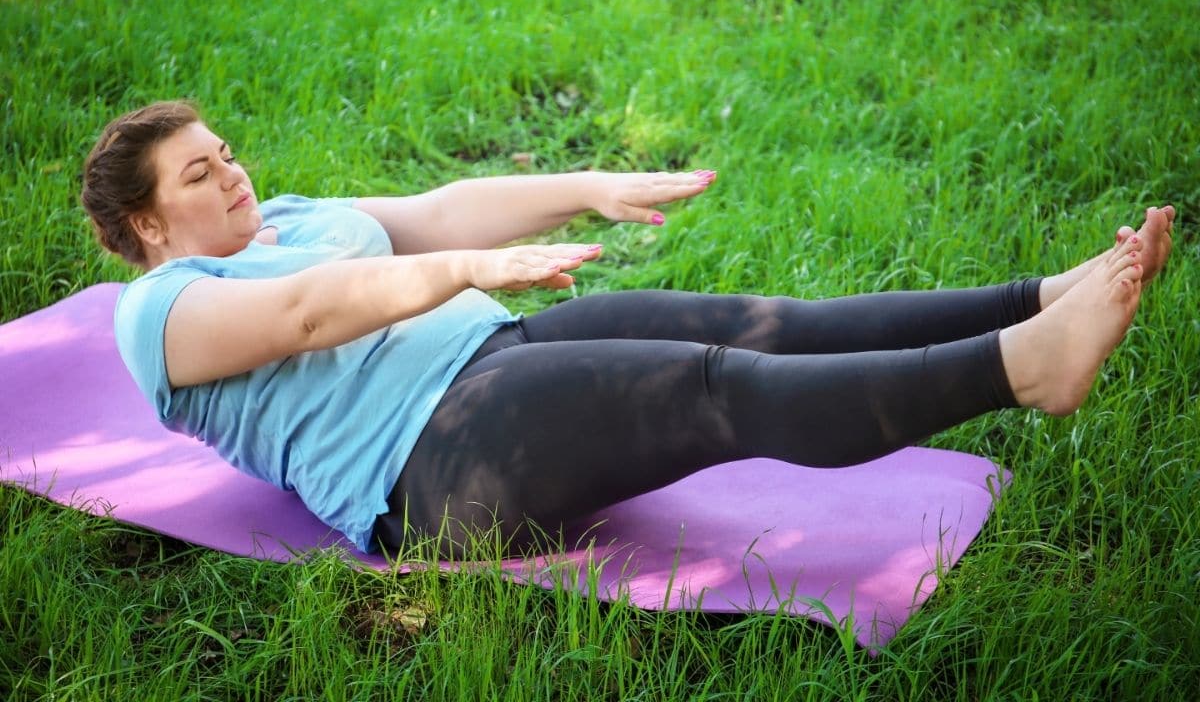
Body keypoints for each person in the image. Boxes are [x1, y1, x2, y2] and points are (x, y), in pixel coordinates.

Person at [81, 101, 1175, 558]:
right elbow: (306, 313)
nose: (231, 173)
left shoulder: (287, 219)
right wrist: (467, 272)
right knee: (709, 386)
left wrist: (592, 184)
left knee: (770, 326)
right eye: (198, 171)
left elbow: (448, 206)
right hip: (433, 465)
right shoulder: (158, 309)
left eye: (226, 152)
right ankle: (1024, 370)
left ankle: (1037, 297)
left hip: (493, 359)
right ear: (144, 222)